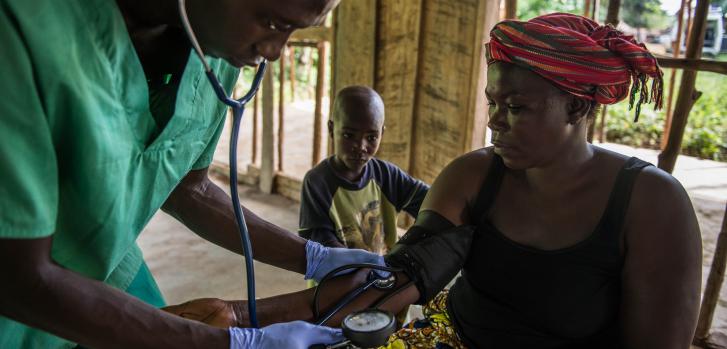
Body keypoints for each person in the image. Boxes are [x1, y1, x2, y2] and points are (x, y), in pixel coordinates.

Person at [166, 13, 703, 349]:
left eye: (517, 107)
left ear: (579, 106)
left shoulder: (652, 206)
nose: (494, 122)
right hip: (449, 338)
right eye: (493, 103)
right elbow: (393, 282)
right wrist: (242, 319)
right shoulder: (475, 176)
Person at [0, 0, 385, 348]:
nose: (275, 51)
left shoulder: (213, 46)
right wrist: (231, 344)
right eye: (271, 22)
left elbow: (189, 188)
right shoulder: (23, 27)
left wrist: (313, 257)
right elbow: (19, 278)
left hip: (107, 263)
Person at [299, 86, 429, 254]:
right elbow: (322, 244)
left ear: (382, 133)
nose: (360, 147)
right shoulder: (317, 183)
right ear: (332, 129)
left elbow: (430, 203)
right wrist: (368, 267)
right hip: (337, 279)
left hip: (381, 276)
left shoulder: (387, 175)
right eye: (348, 135)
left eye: (371, 138)